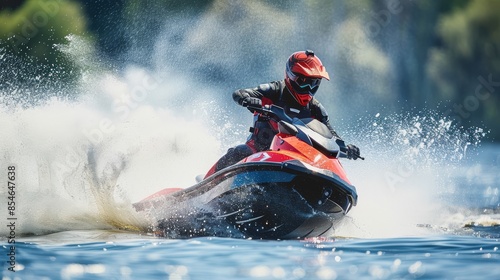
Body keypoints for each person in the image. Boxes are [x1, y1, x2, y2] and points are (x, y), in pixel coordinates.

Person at [215, 50, 361, 171]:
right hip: (259, 152)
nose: (309, 89)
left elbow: (331, 135)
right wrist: (248, 99)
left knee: (326, 164)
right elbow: (240, 93)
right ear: (291, 76)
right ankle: (206, 185)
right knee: (240, 151)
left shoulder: (316, 109)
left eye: (314, 84)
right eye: (304, 83)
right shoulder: (276, 90)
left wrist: (346, 147)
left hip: (297, 159)